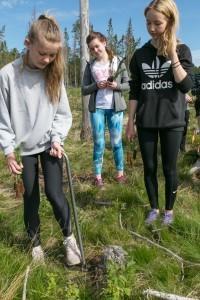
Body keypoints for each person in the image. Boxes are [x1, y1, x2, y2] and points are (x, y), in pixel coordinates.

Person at [0, 14, 81, 265]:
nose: (47, 60)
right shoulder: (7, 75)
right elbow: (2, 118)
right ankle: (35, 245)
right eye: (42, 54)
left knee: (55, 194)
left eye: (52, 55)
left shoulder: (53, 73)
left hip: (49, 145)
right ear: (27, 43)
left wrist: (57, 139)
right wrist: (9, 151)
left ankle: (69, 240)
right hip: (23, 148)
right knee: (30, 197)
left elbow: (63, 113)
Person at [126, 0, 193, 226]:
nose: (152, 28)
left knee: (169, 168)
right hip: (146, 120)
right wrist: (130, 122)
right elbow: (134, 90)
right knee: (150, 167)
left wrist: (172, 53)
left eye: (157, 23)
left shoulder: (182, 50)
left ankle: (169, 211)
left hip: (172, 120)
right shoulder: (139, 55)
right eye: (148, 23)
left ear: (170, 22)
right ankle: (154, 208)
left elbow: (186, 86)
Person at [82, 31, 129, 187]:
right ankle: (97, 177)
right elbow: (84, 89)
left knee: (116, 142)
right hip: (98, 110)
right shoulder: (90, 66)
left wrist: (117, 86)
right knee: (99, 143)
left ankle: (120, 174)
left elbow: (128, 84)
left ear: (104, 42)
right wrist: (96, 85)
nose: (95, 50)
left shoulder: (118, 62)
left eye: (97, 46)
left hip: (116, 109)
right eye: (91, 48)